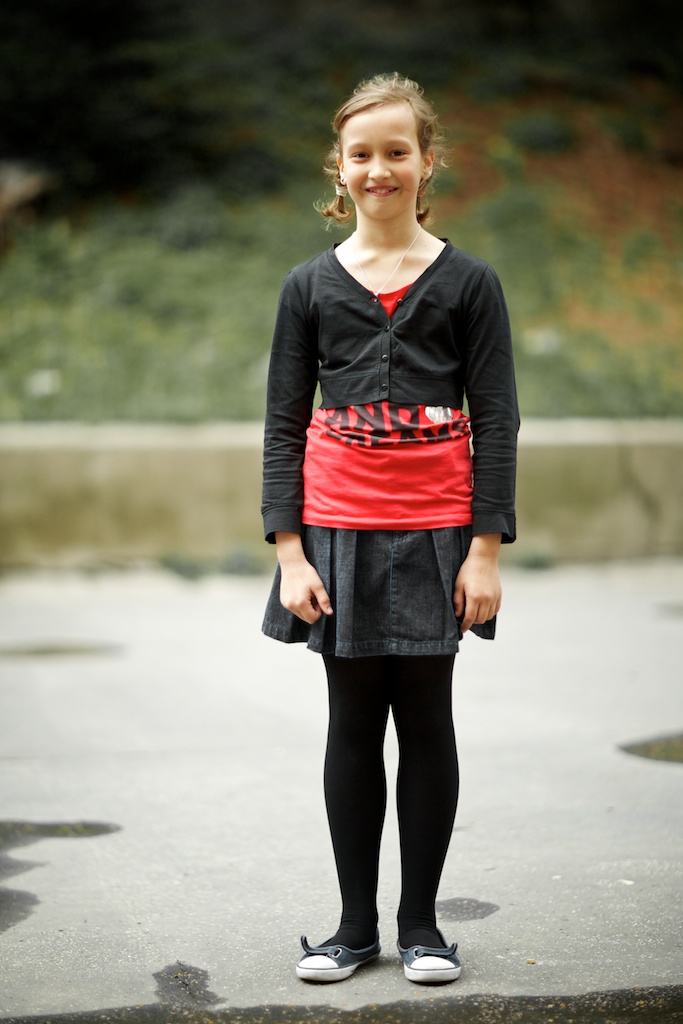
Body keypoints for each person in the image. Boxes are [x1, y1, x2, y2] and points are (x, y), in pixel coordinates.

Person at [261, 72, 519, 985]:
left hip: (437, 536)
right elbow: (283, 425)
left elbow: (496, 420)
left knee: (427, 721)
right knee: (350, 724)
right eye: (361, 154)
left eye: (396, 151)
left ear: (426, 161)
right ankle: (350, 929)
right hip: (336, 534)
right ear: (338, 167)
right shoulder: (307, 286)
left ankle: (421, 928)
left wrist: (484, 550)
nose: (379, 169)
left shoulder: (469, 282)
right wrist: (289, 552)